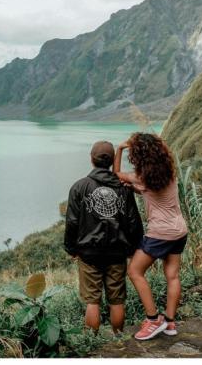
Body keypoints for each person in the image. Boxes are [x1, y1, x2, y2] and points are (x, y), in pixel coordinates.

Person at [114, 132, 188, 340]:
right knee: (172, 276)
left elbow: (116, 173)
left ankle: (153, 318)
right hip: (179, 230)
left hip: (160, 233)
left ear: (139, 156)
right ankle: (170, 322)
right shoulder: (169, 173)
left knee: (135, 271)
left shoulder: (142, 177)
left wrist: (119, 149)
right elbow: (154, 192)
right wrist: (138, 190)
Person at [64, 141, 144, 334]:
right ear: (110, 163)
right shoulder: (123, 188)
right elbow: (134, 221)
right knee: (117, 299)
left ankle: (92, 341)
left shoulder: (79, 187)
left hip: (88, 253)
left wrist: (71, 249)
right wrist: (134, 249)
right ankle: (118, 338)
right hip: (117, 252)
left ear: (91, 159)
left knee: (92, 300)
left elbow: (72, 222)